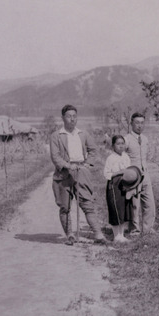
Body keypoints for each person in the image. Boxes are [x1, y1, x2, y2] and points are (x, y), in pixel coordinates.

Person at [50, 104, 107, 245]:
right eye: (69, 116)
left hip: (81, 172)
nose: (72, 119)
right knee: (65, 206)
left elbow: (93, 150)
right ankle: (69, 235)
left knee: (87, 204)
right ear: (63, 117)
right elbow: (55, 156)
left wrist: (87, 164)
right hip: (63, 175)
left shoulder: (83, 134)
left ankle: (98, 235)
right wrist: (68, 166)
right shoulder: (56, 136)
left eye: (74, 116)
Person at [124, 112, 156, 236]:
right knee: (134, 204)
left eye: (142, 123)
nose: (139, 126)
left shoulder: (145, 139)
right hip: (133, 176)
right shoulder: (126, 139)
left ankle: (148, 229)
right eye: (137, 123)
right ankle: (134, 230)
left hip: (145, 174)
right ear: (131, 123)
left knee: (149, 203)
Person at [103, 135, 135, 242]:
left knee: (124, 209)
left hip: (125, 184)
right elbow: (106, 174)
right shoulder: (111, 158)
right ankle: (116, 235)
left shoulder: (126, 156)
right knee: (116, 208)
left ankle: (121, 234)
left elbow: (130, 170)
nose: (121, 146)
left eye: (122, 143)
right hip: (114, 185)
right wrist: (118, 173)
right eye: (118, 144)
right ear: (113, 146)